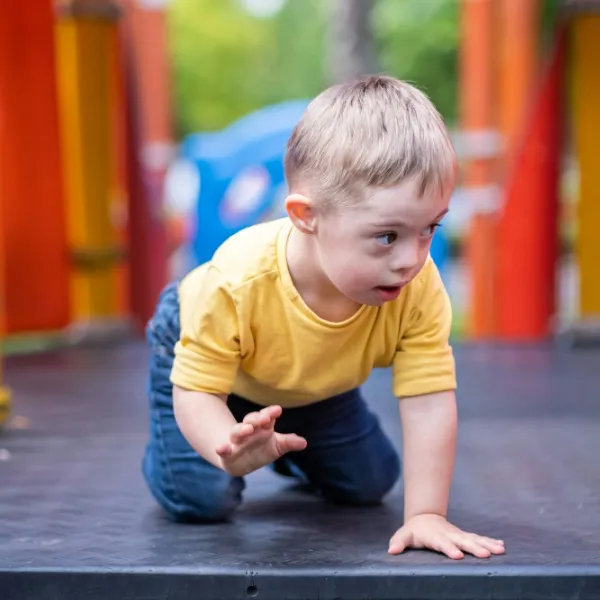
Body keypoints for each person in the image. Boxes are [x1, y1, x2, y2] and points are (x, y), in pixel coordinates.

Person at [142, 75, 506, 561]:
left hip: (308, 379)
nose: (411, 259)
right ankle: (175, 452)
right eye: (386, 236)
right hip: (205, 367)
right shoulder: (237, 281)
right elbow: (198, 390)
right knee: (203, 498)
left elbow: (429, 401)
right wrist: (223, 444)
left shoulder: (416, 287)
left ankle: (284, 445)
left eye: (429, 229)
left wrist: (426, 515)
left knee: (369, 483)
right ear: (306, 216)